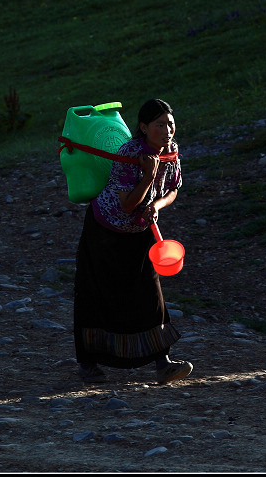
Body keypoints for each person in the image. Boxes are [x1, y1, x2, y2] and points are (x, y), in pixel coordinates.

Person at [73, 98, 192, 384]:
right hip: (105, 232)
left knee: (150, 292)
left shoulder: (172, 150)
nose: (167, 130)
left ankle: (163, 363)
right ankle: (88, 365)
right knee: (97, 293)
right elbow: (127, 204)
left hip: (141, 230)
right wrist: (149, 175)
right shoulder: (130, 153)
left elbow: (174, 188)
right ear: (143, 127)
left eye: (170, 124)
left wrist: (158, 206)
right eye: (160, 125)